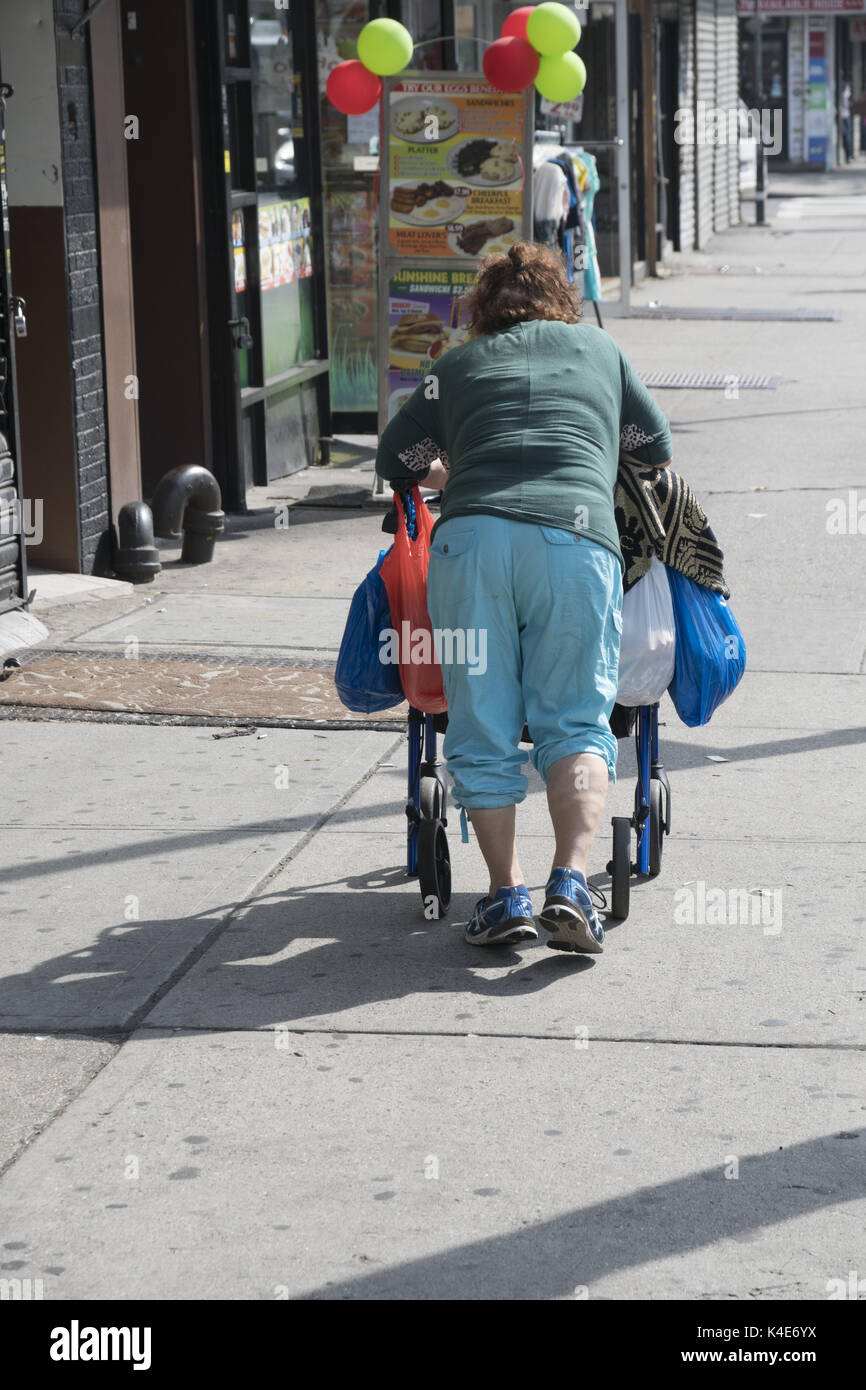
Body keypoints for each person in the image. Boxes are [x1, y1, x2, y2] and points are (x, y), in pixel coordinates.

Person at [376, 242, 671, 955]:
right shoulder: (600, 351)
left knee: (480, 725)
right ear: (560, 300)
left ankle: (505, 895)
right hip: (574, 545)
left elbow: (397, 461)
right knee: (573, 720)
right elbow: (651, 447)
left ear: (482, 309)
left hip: (471, 544)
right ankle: (570, 884)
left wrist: (456, 465)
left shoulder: (457, 364)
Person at [840, 79, 853, 165]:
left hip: (844, 115)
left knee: (847, 136)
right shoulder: (844, 86)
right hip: (842, 115)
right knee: (846, 136)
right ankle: (847, 156)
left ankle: (848, 156)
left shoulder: (844, 86)